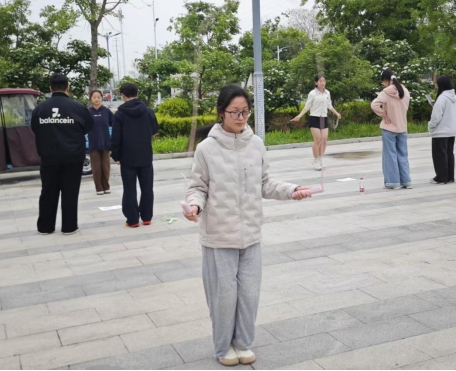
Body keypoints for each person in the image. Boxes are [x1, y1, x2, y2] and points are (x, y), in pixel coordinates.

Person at [184, 85, 311, 367]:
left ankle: (242, 343)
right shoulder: (206, 149)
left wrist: (292, 190)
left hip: (251, 234)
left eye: (245, 112)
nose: (241, 117)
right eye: (235, 112)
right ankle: (223, 347)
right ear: (221, 113)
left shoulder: (256, 144)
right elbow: (197, 187)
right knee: (223, 297)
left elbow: (265, 183)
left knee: (249, 295)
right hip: (219, 237)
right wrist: (194, 207)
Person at [31, 73, 94, 235]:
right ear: (68, 88)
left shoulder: (40, 109)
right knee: (70, 192)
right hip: (73, 157)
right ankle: (69, 226)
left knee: (48, 192)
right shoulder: (78, 107)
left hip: (48, 157)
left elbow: (35, 129)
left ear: (50, 88)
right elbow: (88, 127)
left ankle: (45, 227)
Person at [111, 83, 159, 228]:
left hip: (127, 157)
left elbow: (116, 137)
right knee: (147, 188)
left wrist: (116, 156)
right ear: (137, 93)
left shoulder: (120, 114)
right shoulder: (148, 111)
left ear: (123, 95)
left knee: (129, 189)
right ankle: (147, 217)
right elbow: (154, 129)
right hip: (145, 155)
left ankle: (132, 220)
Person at [371, 70, 412, 190]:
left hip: (389, 128)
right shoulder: (405, 90)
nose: (383, 84)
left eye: (383, 82)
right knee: (403, 155)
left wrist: (384, 114)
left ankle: (393, 182)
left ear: (386, 80)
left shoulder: (386, 92)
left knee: (390, 156)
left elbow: (374, 105)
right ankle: (406, 181)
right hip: (402, 127)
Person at [291, 75, 342, 170]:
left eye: (324, 81)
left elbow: (329, 106)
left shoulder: (327, 92)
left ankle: (320, 159)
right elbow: (307, 106)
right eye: (320, 81)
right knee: (318, 139)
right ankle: (315, 160)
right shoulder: (312, 93)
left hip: (324, 118)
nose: (322, 83)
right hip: (314, 118)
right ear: (316, 83)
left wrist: (337, 113)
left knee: (324, 140)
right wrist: (299, 116)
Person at [429, 76, 456, 185]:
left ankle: (441, 178)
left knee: (439, 155)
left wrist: (431, 126)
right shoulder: (453, 97)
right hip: (451, 130)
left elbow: (436, 116)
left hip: (440, 131)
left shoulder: (442, 98)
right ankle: (450, 177)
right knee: (449, 153)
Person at [88, 90, 114, 195]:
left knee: (106, 167)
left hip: (105, 142)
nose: (96, 99)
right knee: (96, 168)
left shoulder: (106, 111)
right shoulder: (88, 112)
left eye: (98, 97)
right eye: (94, 97)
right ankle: (99, 188)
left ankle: (106, 186)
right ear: (91, 99)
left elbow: (114, 124)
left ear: (102, 98)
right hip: (93, 143)